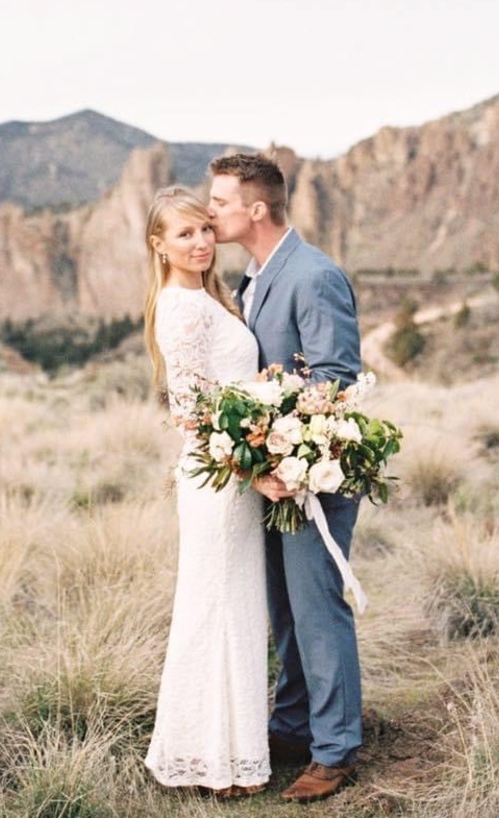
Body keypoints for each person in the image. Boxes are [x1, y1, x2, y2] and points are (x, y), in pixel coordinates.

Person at [207, 152, 363, 804]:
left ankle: (335, 750)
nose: (210, 212)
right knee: (285, 611)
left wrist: (286, 457)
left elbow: (335, 380)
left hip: (314, 475)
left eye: (219, 202)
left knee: (318, 610)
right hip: (273, 476)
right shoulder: (256, 275)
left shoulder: (313, 275)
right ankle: (295, 723)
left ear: (256, 210)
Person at [142, 186, 271, 799]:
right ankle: (215, 763)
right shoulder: (179, 308)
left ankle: (224, 755)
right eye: (183, 234)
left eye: (203, 230)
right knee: (216, 610)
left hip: (235, 479)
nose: (198, 243)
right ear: (158, 245)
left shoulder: (211, 298)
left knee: (233, 610)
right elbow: (191, 415)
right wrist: (255, 471)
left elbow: (230, 389)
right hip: (220, 483)